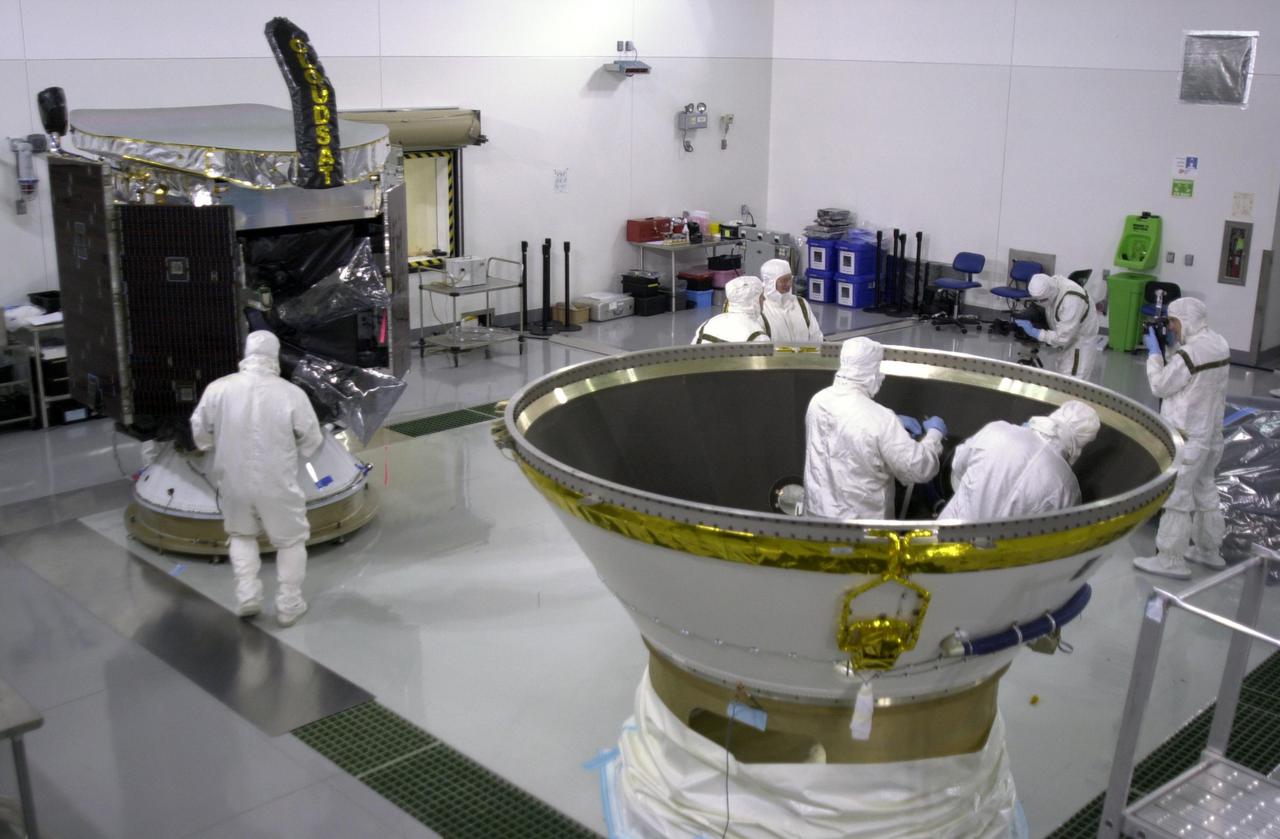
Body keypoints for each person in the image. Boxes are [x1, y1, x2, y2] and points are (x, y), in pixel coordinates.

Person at [190, 331, 324, 626]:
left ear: (246, 353)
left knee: (241, 534)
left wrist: (211, 446)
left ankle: (247, 595)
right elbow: (312, 439)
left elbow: (199, 430)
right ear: (275, 357)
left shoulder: (218, 389)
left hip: (232, 480)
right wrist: (300, 453)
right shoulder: (291, 393)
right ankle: (289, 604)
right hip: (277, 482)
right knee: (290, 540)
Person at [1133, 297, 1230, 580]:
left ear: (1186, 320)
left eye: (1174, 322)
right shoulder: (1218, 343)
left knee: (1177, 496)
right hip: (1211, 433)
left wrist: (1154, 354)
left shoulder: (1188, 355)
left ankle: (1170, 559)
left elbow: (1161, 385)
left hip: (1188, 435)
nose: (1172, 328)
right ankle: (1208, 550)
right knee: (1205, 489)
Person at [803, 337, 947, 519]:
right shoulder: (881, 420)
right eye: (878, 369)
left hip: (817, 519)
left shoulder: (819, 401)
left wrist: (893, 420)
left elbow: (846, 430)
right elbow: (919, 468)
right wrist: (935, 434)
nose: (881, 376)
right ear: (871, 372)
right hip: (863, 531)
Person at [938, 401, 1101, 521]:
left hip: (947, 534)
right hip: (997, 563)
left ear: (1056, 414)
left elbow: (958, 465)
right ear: (1082, 443)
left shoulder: (998, 430)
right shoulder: (1068, 487)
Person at [1015, 273, 1101, 380]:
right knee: (1062, 376)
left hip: (1079, 345)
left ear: (1050, 292)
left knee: (1072, 382)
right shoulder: (1053, 284)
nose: (1039, 303)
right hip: (1068, 341)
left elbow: (1062, 338)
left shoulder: (1072, 300)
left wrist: (1036, 333)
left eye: (1041, 300)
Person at [759, 258, 823, 344]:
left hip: (805, 356)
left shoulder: (801, 304)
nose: (789, 284)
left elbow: (816, 337)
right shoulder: (761, 310)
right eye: (784, 280)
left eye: (790, 279)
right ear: (770, 282)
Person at [691, 275, 770, 344]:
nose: (764, 299)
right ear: (754, 301)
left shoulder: (707, 324)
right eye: (761, 296)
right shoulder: (757, 336)